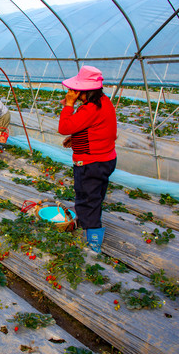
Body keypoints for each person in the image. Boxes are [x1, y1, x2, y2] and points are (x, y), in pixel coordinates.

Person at [58, 66, 117, 253]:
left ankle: (93, 242)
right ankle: (85, 225)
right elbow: (98, 129)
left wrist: (68, 106)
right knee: (87, 195)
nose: (71, 93)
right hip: (102, 159)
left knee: (89, 199)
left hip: (92, 163)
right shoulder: (103, 101)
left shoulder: (91, 108)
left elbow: (64, 126)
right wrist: (76, 139)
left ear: (84, 90)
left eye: (74, 90)